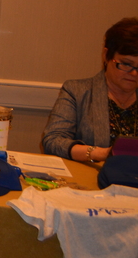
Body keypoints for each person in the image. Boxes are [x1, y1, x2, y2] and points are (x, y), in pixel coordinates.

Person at [42, 17, 138, 163]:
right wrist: (101, 153)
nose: (134, 73)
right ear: (106, 56)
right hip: (92, 175)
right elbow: (53, 141)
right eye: (126, 64)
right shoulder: (77, 91)